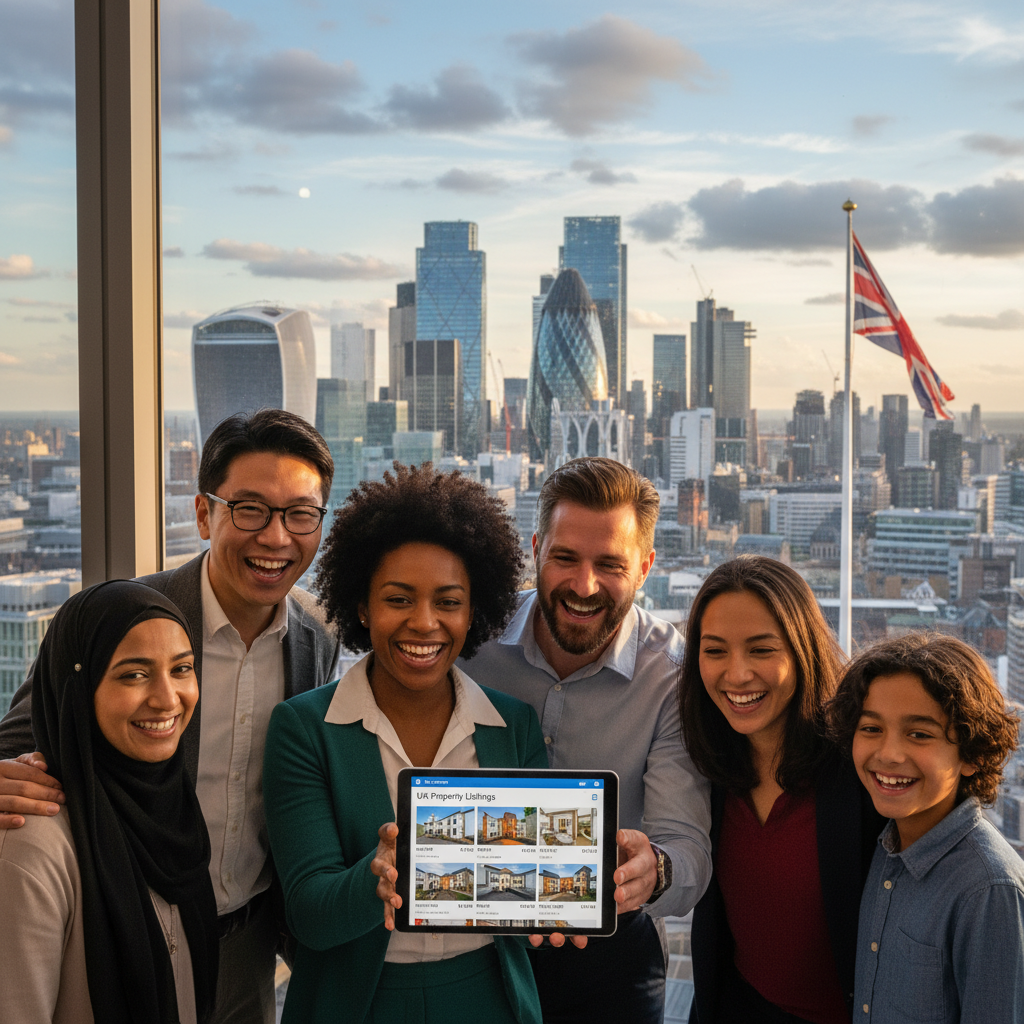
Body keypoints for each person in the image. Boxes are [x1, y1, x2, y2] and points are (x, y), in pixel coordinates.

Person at [0, 408, 340, 1024]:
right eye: (250, 510)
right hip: (131, 924)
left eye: (300, 514)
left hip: (249, 942)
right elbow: (27, 733)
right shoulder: (134, 620)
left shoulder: (318, 635)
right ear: (205, 513)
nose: (276, 537)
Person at [263, 463, 546, 1023]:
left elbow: (528, 882)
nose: (424, 623)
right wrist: (379, 876)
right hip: (359, 1003)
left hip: (489, 997)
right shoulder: (304, 729)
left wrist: (555, 910)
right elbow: (309, 915)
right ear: (363, 607)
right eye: (398, 599)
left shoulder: (514, 726)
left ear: (475, 612)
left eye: (448, 602)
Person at [462, 456, 712, 1024]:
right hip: (475, 937)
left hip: (609, 950)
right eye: (565, 558)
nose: (584, 585)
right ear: (535, 550)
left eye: (610, 564)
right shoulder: (471, 641)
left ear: (646, 567)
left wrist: (656, 871)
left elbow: (686, 846)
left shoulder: (672, 676)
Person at [0, 580, 218, 1024]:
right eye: (133, 674)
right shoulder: (32, 843)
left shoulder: (173, 815)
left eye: (182, 669)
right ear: (78, 690)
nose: (166, 699)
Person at [678, 556, 883, 1024]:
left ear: (802, 649)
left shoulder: (860, 773)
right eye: (714, 651)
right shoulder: (707, 773)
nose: (737, 674)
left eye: (761, 650)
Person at [829, 633, 1024, 1024]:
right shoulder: (886, 845)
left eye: (919, 734)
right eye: (871, 729)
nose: (888, 753)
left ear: (970, 754)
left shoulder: (988, 891)